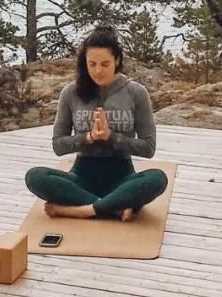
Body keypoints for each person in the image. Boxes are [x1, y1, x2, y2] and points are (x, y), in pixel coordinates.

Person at [24, 25, 168, 222]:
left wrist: (112, 138)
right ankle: (114, 208)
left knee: (158, 178)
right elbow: (58, 145)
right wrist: (89, 137)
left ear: (117, 60)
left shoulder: (136, 93)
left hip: (123, 177)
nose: (98, 71)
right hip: (81, 177)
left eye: (105, 64)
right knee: (35, 176)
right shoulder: (70, 93)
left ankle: (83, 210)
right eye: (92, 64)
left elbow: (148, 148)